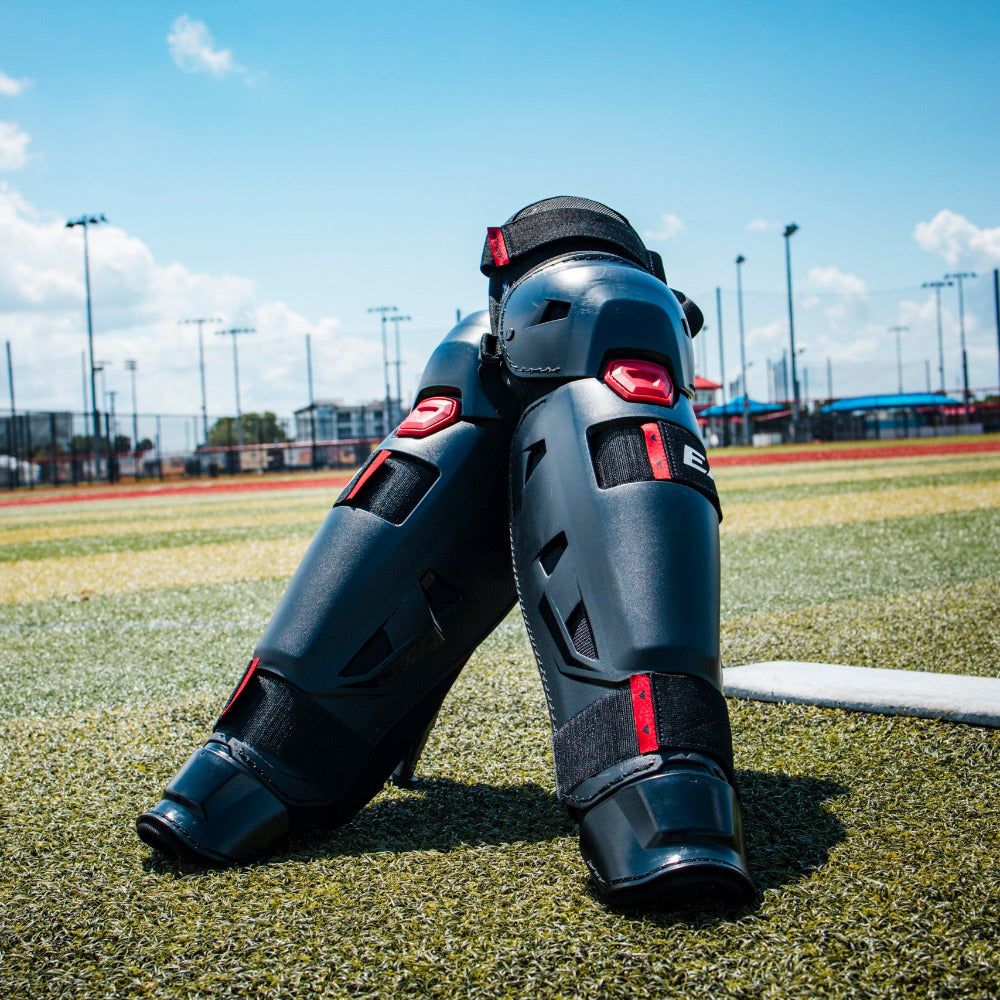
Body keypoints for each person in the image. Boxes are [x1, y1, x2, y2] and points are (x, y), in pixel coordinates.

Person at [138, 197, 753, 907]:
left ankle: (247, 768)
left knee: (507, 356)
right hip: (589, 293)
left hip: (533, 297)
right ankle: (661, 780)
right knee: (603, 323)